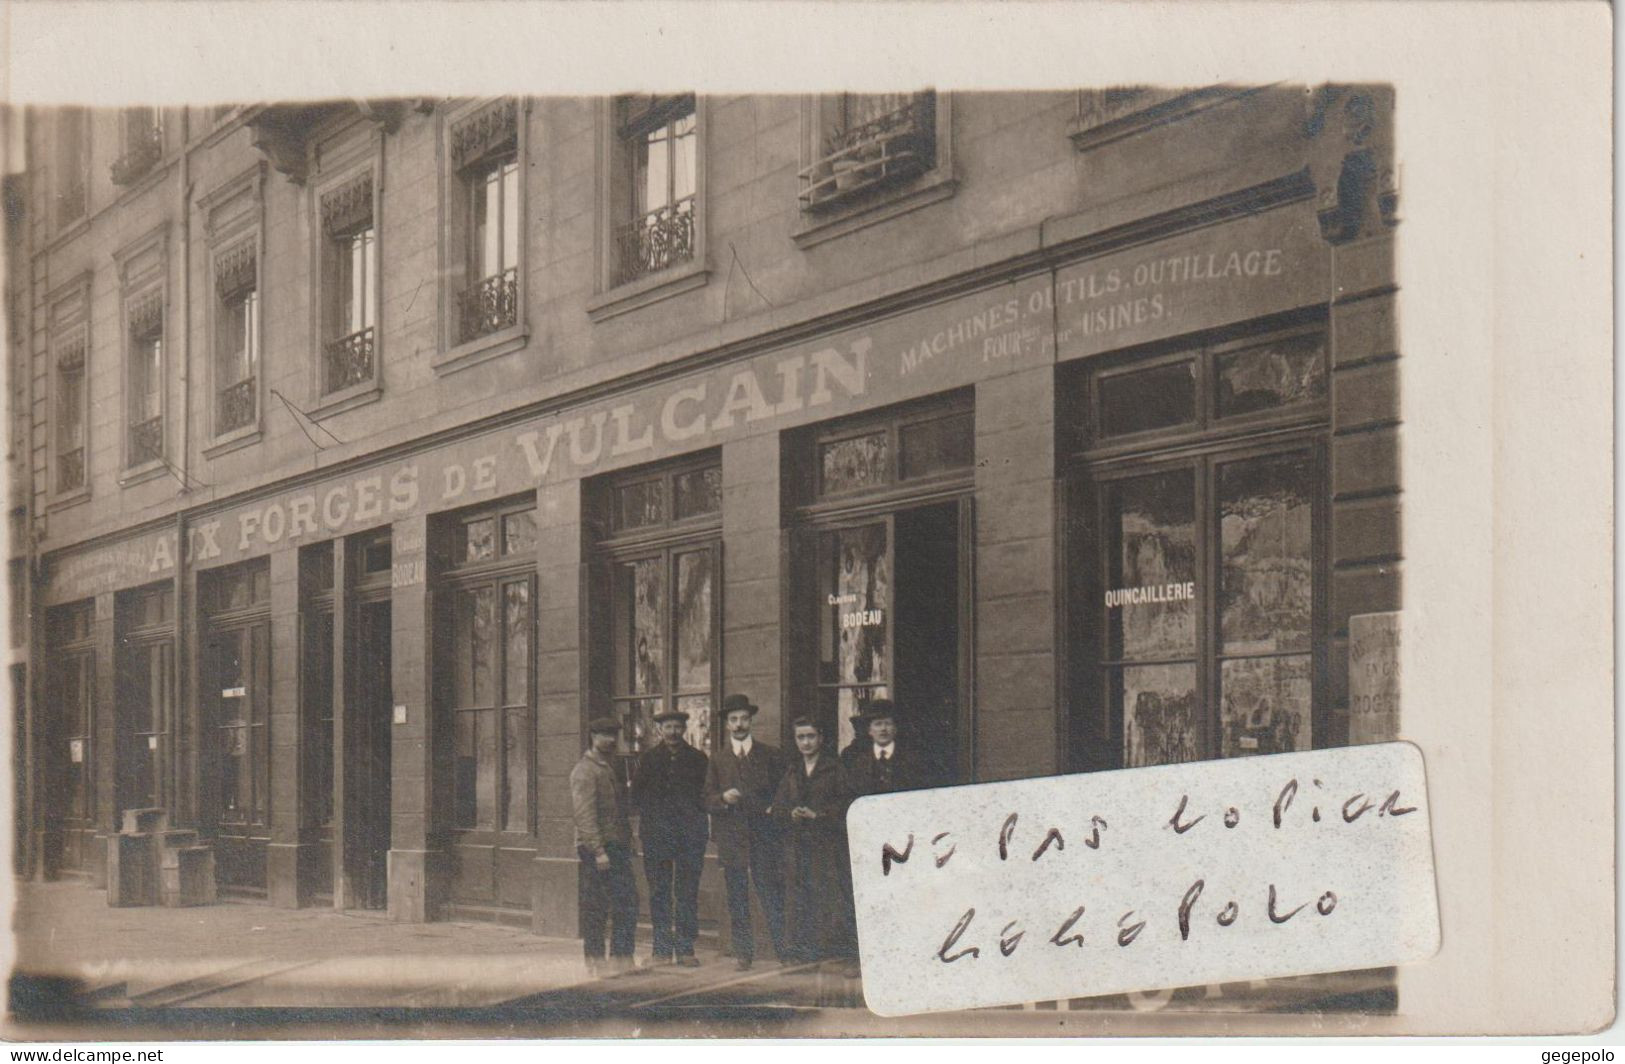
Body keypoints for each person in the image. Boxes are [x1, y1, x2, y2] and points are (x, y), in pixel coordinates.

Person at [704, 693, 788, 971]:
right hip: (732, 840)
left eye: (743, 718)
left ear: (751, 720)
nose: (739, 724)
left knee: (772, 895)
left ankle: (784, 951)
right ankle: (743, 953)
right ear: (727, 724)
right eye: (733, 719)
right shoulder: (718, 759)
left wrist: (771, 811)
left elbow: (783, 793)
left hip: (764, 838)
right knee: (737, 898)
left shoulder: (770, 755)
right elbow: (706, 798)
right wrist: (722, 799)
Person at [771, 716, 856, 969]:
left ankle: (827, 952)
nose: (806, 742)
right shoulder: (793, 770)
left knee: (826, 898)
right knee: (798, 898)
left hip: (826, 846)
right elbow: (778, 806)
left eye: (810, 737)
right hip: (797, 847)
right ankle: (800, 954)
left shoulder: (835, 769)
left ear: (820, 738)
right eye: (801, 737)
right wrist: (790, 813)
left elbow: (847, 804)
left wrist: (819, 815)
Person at [631, 707, 710, 967]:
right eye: (668, 727)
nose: (673, 732)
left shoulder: (699, 759)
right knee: (659, 892)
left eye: (677, 727)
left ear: (684, 730)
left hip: (689, 837)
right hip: (657, 837)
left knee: (687, 892)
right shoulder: (648, 759)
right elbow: (637, 798)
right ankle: (661, 950)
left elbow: (706, 797)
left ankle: (686, 949)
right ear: (659, 730)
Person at [570, 716, 641, 978]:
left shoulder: (607, 767)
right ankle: (595, 960)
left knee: (627, 902)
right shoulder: (584, 770)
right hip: (597, 849)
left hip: (616, 846)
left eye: (613, 735)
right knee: (596, 906)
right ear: (592, 737)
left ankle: (622, 958)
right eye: (604, 735)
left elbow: (617, 811)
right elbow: (584, 815)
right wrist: (598, 851)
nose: (610, 739)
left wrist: (629, 838)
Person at [840, 698, 931, 797]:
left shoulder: (912, 759)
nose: (883, 729)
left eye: (888, 723)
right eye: (878, 724)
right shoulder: (857, 762)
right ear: (869, 730)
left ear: (895, 729)